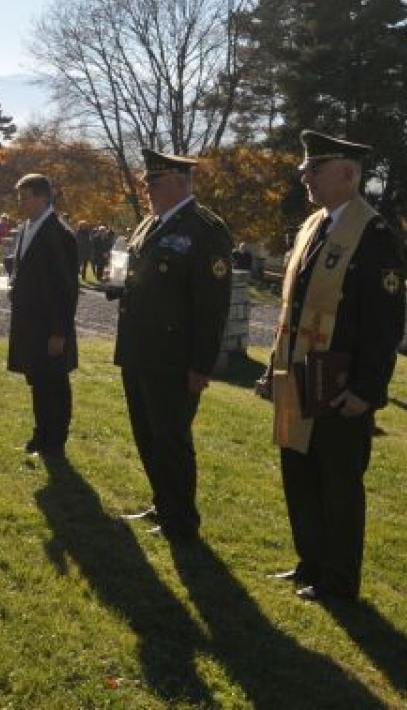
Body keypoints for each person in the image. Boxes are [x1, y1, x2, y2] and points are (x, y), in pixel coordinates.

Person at [258, 130, 406, 602]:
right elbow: (292, 308)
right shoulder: (312, 226)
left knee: (338, 483)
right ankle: (311, 562)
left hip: (339, 387)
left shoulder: (374, 236)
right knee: (299, 474)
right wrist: (273, 368)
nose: (305, 177)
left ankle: (339, 579)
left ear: (347, 174)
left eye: (314, 169)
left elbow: (384, 324)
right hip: (298, 377)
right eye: (306, 169)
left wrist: (367, 389)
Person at [110, 149, 233, 541]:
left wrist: (201, 366)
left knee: (171, 439)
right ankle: (163, 503)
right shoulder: (150, 224)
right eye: (147, 182)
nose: (147, 189)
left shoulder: (205, 229)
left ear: (180, 183)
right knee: (147, 434)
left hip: (174, 358)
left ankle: (181, 520)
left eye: (155, 182)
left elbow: (212, 306)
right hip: (138, 350)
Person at [6, 174, 80, 460]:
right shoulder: (28, 227)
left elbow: (66, 289)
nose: (20, 203)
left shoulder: (59, 233)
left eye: (25, 198)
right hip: (31, 324)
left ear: (42, 197)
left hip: (50, 327)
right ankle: (41, 434)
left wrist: (59, 333)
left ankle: (55, 441)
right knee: (38, 380)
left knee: (55, 385)